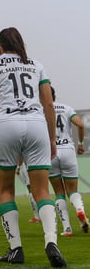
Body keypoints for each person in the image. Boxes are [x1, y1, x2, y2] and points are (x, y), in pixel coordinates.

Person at [0, 27, 66, 267]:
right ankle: (51, 241)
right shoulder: (36, 64)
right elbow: (48, 103)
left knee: (6, 191)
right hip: (36, 123)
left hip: (6, 123)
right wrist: (51, 139)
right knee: (42, 191)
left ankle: (16, 249)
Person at [49, 86, 89, 236]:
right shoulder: (66, 108)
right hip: (68, 150)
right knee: (73, 190)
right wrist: (80, 145)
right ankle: (80, 210)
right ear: (54, 95)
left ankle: (67, 229)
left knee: (59, 193)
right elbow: (80, 124)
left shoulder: (40, 110)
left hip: (51, 152)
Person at [16, 158, 40, 223]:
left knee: (31, 190)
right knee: (40, 190)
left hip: (27, 166)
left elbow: (21, 155)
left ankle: (37, 217)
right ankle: (42, 215)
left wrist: (17, 167)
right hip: (38, 164)